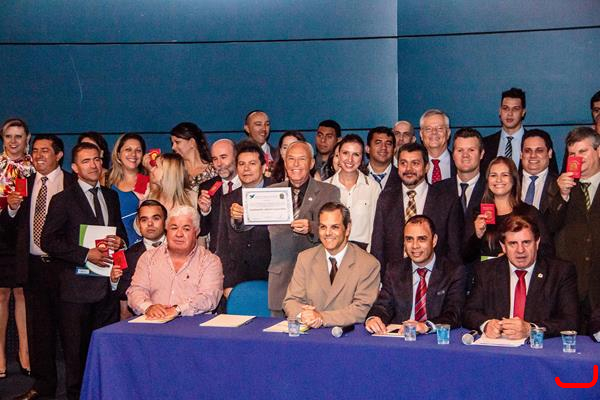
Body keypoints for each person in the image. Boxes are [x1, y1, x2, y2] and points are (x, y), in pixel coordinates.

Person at [40, 142, 127, 400]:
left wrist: (120, 241)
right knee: (76, 357)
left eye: (97, 159)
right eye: (86, 161)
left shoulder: (110, 196)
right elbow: (48, 240)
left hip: (106, 289)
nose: (93, 165)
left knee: (105, 353)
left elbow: (120, 231)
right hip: (75, 290)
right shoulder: (63, 199)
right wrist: (85, 254)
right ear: (75, 167)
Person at [2, 134, 75, 400]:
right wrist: (11, 210)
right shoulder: (25, 183)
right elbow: (10, 230)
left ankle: (75, 389)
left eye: (45, 150)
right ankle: (43, 388)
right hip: (34, 268)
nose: (39, 155)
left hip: (65, 268)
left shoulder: (73, 184)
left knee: (71, 332)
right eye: (35, 151)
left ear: (59, 155)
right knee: (39, 333)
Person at [463, 214, 578, 339]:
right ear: (503, 247)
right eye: (513, 243)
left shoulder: (560, 272)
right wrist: (486, 325)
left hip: (539, 347)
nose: (520, 250)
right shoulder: (486, 270)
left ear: (537, 242)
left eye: (526, 242)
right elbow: (469, 312)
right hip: (498, 346)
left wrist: (531, 329)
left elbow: (570, 321)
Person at [266, 141, 340, 315]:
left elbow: (337, 229)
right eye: (291, 159)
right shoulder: (270, 192)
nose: (296, 164)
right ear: (285, 163)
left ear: (312, 163)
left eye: (302, 159)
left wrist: (312, 227)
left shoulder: (329, 191)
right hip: (281, 279)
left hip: (315, 278)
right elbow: (252, 228)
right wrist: (240, 218)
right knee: (278, 330)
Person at [371, 142, 463, 277]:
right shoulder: (386, 198)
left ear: (426, 167)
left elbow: (454, 251)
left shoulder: (447, 201)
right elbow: (378, 247)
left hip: (436, 281)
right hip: (394, 281)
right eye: (403, 163)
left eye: (415, 163)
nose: (408, 169)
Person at [283, 202, 380, 327]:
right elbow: (291, 300)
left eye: (334, 227)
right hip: (310, 334)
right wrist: (303, 315)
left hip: (347, 335)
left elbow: (361, 309)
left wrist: (322, 317)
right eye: (323, 227)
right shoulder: (305, 258)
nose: (327, 233)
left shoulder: (368, 264)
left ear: (347, 229)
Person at [365, 215, 466, 335]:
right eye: (409, 239)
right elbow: (382, 306)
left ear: (434, 240)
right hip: (401, 339)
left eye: (422, 239)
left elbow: (453, 314)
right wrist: (374, 318)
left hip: (434, 339)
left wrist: (425, 326)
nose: (415, 246)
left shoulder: (453, 272)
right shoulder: (394, 270)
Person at [127, 205, 223, 317]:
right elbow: (136, 290)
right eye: (174, 228)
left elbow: (209, 296)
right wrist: (148, 307)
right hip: (154, 322)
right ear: (166, 230)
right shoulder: (148, 258)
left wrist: (178, 309)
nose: (179, 234)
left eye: (186, 229)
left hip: (194, 324)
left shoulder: (210, 261)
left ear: (196, 232)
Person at [549, 127, 600, 334]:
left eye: (583, 151)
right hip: (572, 288)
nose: (577, 157)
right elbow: (550, 227)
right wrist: (562, 195)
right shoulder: (559, 187)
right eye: (572, 154)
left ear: (598, 151)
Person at [463, 156, 553, 264]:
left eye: (504, 175)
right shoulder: (478, 213)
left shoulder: (529, 213)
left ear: (513, 179)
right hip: (485, 273)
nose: (498, 180)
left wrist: (516, 256)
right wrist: (477, 236)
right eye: (493, 175)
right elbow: (465, 258)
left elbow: (547, 253)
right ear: (487, 181)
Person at [216, 141, 272, 303]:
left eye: (252, 163)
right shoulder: (228, 199)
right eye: (241, 164)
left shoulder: (278, 192)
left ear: (263, 167)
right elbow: (223, 245)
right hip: (238, 280)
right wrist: (227, 283)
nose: (246, 169)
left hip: (272, 277)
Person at [0, 118, 34, 379]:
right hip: (0, 235)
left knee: (23, 293)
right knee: (1, 295)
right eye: (8, 136)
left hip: (25, 235)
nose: (13, 141)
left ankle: (25, 351)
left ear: (27, 139)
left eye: (18, 136)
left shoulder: (35, 167)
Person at [111, 200, 167, 321]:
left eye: (156, 218)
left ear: (165, 222)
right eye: (144, 220)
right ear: (139, 225)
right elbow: (122, 293)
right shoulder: (128, 256)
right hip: (144, 319)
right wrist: (114, 281)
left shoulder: (181, 248)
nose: (150, 224)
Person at [482, 88, 559, 174]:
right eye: (505, 108)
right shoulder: (485, 144)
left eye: (515, 109)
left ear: (523, 112)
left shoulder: (539, 142)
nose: (510, 114)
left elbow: (552, 176)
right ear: (500, 111)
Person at [326, 135, 380, 250]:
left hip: (363, 253)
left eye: (356, 154)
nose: (350, 159)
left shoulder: (373, 187)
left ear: (362, 158)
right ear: (338, 155)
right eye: (345, 153)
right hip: (332, 251)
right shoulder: (325, 186)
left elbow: (376, 228)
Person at [436, 128, 486, 242]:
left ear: (481, 154)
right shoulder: (438, 191)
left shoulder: (492, 190)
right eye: (460, 150)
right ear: (453, 155)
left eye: (471, 150)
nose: (465, 155)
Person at [198, 139, 239, 251]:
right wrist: (205, 212)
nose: (219, 164)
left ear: (236, 157)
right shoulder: (207, 187)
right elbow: (203, 231)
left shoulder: (249, 184)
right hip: (218, 252)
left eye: (223, 157)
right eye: (215, 159)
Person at [107, 133, 147, 244]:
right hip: (116, 247)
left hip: (143, 247)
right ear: (118, 154)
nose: (133, 154)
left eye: (138, 150)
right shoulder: (107, 182)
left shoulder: (146, 181)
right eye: (128, 149)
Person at [520, 129, 560, 222]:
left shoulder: (559, 185)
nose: (533, 155)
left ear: (549, 153)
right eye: (527, 151)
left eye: (539, 151)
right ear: (521, 154)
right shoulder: (510, 182)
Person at [170, 122, 217, 192]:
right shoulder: (173, 171)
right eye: (172, 143)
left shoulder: (214, 171)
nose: (173, 147)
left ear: (192, 142)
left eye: (177, 142)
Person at [419, 109, 455, 183]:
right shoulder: (414, 165)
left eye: (440, 128)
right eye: (428, 129)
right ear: (421, 134)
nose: (434, 132)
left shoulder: (459, 163)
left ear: (448, 133)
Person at [366, 126, 399, 191]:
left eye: (388, 144)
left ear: (394, 150)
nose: (384, 147)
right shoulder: (357, 175)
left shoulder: (402, 177)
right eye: (378, 143)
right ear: (368, 149)